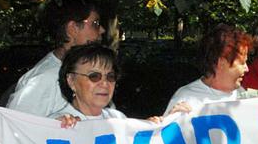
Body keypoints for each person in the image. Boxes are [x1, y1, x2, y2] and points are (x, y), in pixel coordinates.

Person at [6, 0, 105, 116]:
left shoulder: (92, 72)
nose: (102, 30)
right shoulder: (45, 79)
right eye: (95, 24)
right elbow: (15, 127)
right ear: (73, 28)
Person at [52, 43, 188, 127]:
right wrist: (55, 129)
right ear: (71, 80)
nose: (104, 83)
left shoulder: (117, 118)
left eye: (110, 76)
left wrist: (168, 123)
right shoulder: (56, 123)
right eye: (94, 76)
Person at [166, 24, 253, 113]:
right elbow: (165, 125)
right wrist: (174, 116)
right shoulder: (187, 98)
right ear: (221, 62)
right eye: (242, 63)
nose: (247, 69)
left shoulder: (243, 95)